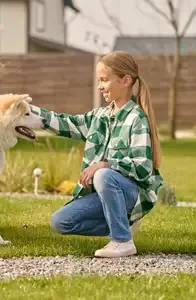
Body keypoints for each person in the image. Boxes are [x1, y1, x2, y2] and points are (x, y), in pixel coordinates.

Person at [29, 51, 164, 258]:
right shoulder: (100, 116)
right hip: (107, 194)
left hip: (132, 193)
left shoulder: (136, 119)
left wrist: (104, 165)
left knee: (103, 174)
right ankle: (123, 223)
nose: (100, 86)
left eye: (104, 80)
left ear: (125, 80)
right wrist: (28, 111)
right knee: (60, 222)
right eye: (98, 80)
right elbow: (67, 123)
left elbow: (143, 167)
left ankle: (122, 241)